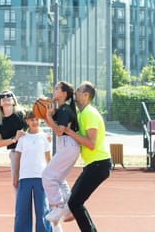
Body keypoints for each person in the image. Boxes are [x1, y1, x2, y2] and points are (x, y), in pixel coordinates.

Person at [62, 81, 111, 232]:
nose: (75, 93)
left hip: (99, 164)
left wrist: (69, 132)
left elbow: (91, 143)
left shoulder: (89, 113)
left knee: (75, 202)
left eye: (78, 90)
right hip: (93, 165)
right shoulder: (82, 113)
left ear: (86, 95)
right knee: (74, 201)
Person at [42, 81, 80, 225]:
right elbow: (52, 125)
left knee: (47, 176)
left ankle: (58, 206)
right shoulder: (62, 109)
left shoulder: (65, 110)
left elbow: (59, 131)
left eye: (57, 88)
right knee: (58, 179)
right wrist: (48, 114)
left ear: (64, 94)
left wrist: (50, 117)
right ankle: (70, 207)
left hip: (67, 144)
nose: (54, 89)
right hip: (68, 146)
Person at [13, 111, 53, 232]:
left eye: (36, 119)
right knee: (22, 209)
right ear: (27, 121)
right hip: (24, 177)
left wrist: (51, 177)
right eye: (31, 120)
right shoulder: (23, 138)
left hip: (41, 177)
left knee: (43, 209)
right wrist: (16, 175)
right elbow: (18, 158)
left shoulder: (46, 137)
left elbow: (48, 158)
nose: (34, 122)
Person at [0, 90, 27, 185]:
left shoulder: (23, 115)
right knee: (16, 183)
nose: (5, 97)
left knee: (35, 180)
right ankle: (19, 200)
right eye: (2, 96)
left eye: (8, 95)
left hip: (29, 151)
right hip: (15, 152)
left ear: (14, 100)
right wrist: (14, 139)